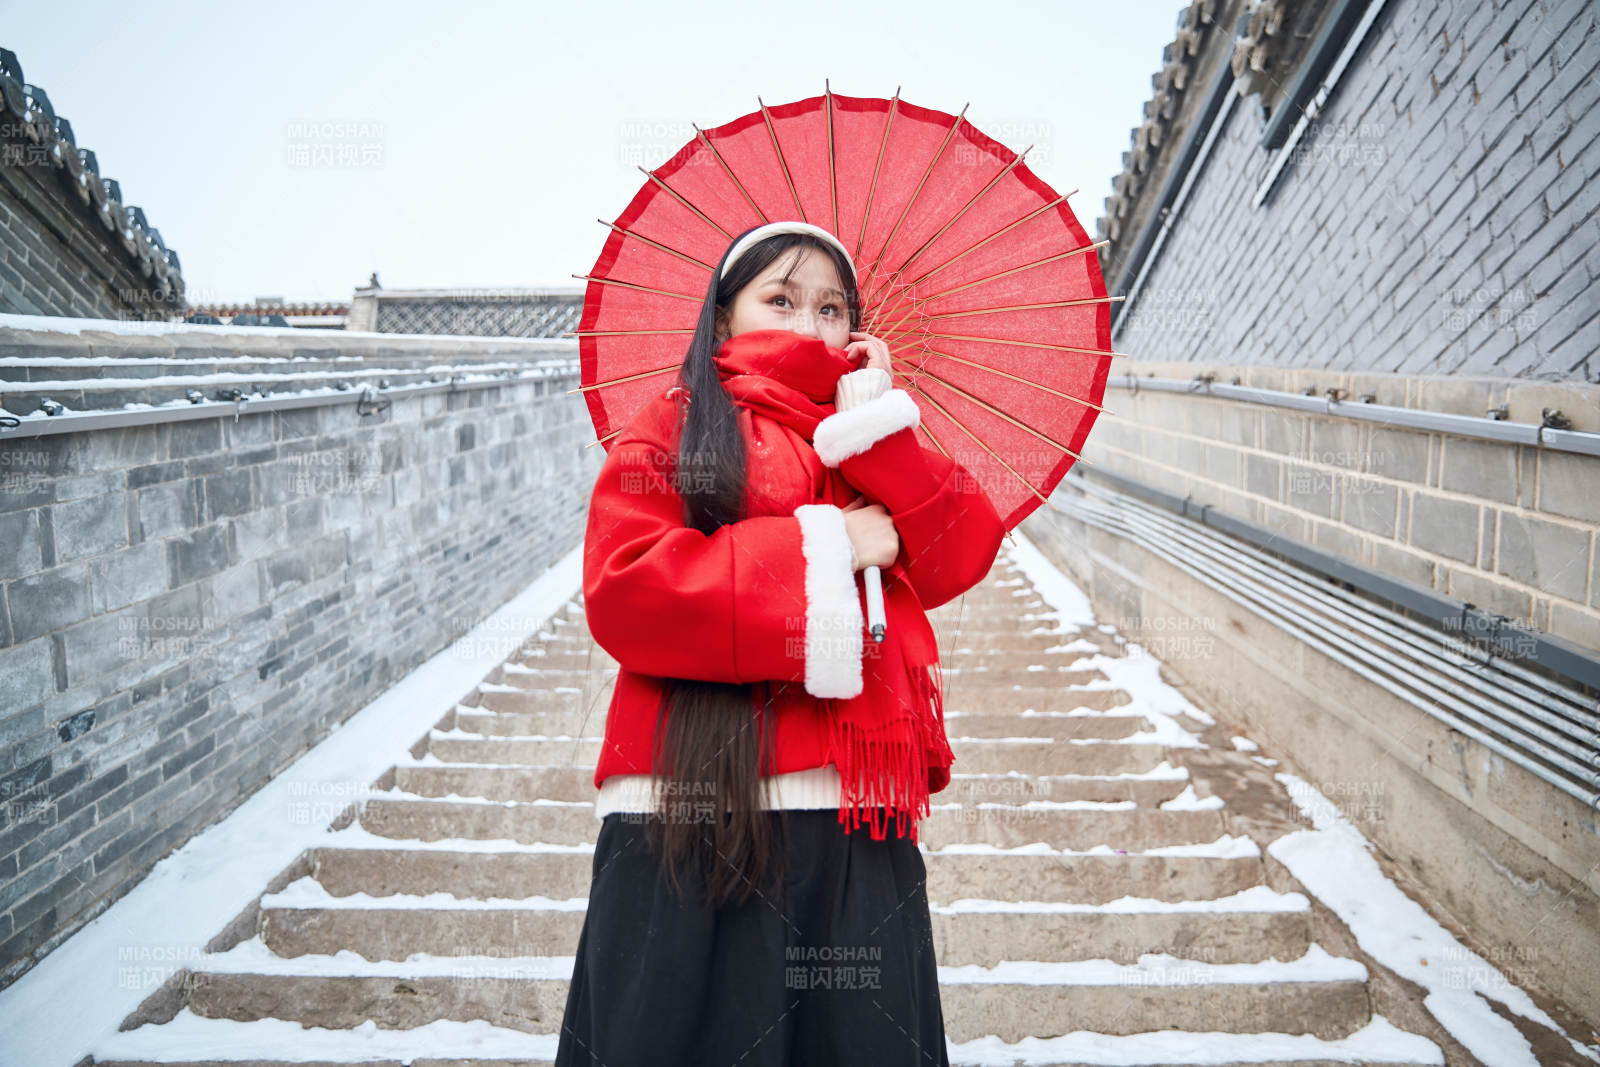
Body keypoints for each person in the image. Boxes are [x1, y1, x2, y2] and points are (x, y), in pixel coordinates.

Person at [555, 220, 1006, 1066]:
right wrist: (832, 543)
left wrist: (879, 429)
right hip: (693, 813)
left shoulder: (861, 436)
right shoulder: (677, 426)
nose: (809, 325)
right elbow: (626, 586)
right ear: (723, 319)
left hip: (850, 818)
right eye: (781, 299)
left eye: (832, 307)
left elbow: (963, 546)